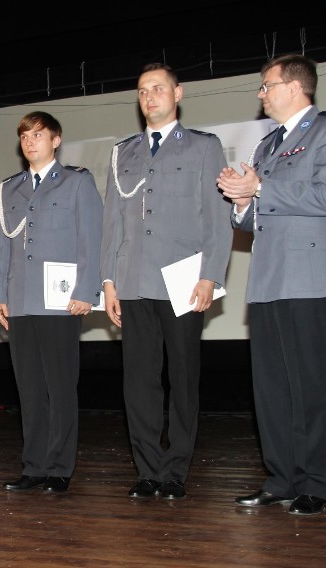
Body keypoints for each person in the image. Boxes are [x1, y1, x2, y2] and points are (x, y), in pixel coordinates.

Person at [217, 54, 326, 515]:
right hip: (268, 279)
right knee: (270, 387)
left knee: (308, 385)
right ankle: (281, 477)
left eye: (266, 85)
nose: (261, 94)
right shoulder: (267, 144)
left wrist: (262, 190)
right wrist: (238, 201)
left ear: (295, 87)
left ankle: (315, 482)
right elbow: (254, 218)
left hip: (309, 277)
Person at [101, 63, 232, 501]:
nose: (149, 97)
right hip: (132, 280)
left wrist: (211, 274)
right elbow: (111, 223)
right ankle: (148, 470)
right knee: (138, 382)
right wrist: (108, 281)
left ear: (178, 93)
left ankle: (175, 470)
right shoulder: (123, 153)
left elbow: (217, 218)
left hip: (182, 280)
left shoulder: (202, 146)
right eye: (142, 91)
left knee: (182, 377)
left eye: (157, 88)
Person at [0, 111, 103, 493]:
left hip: (60, 301)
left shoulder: (76, 181)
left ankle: (58, 467)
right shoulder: (9, 189)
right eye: (24, 136)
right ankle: (33, 465)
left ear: (55, 140)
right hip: (20, 301)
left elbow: (92, 238)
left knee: (59, 385)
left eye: (38, 135)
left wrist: (87, 290)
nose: (30, 141)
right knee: (30, 389)